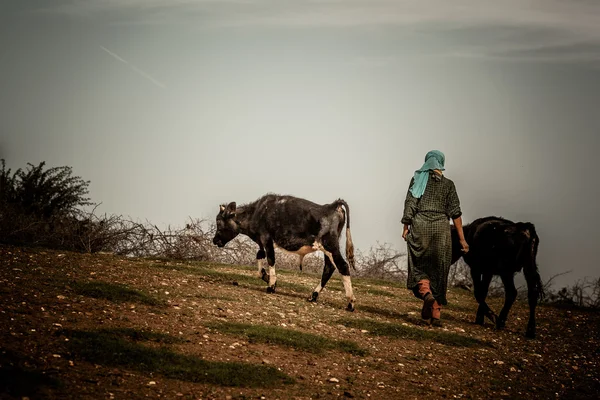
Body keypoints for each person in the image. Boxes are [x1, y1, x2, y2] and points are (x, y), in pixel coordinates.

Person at [401, 150, 469, 327]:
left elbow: (410, 204)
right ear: (441, 163)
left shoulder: (417, 180)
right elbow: (456, 213)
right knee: (439, 269)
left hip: (420, 227)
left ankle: (426, 295)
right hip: (441, 230)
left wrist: (406, 227)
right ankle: (436, 314)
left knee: (419, 266)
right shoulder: (448, 185)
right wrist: (462, 240)